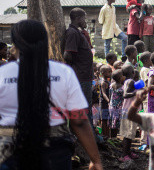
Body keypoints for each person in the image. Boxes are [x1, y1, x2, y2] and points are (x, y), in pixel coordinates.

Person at [0, 20, 102, 169]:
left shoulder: (3, 74)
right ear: (44, 42)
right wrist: (96, 160)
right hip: (55, 151)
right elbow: (79, 120)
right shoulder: (64, 73)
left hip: (9, 150)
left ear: (15, 45)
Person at [63, 8, 95, 124]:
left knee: (87, 107)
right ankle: (85, 137)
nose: (85, 21)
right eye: (84, 18)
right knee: (84, 109)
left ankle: (90, 135)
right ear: (78, 18)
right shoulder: (72, 33)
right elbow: (67, 55)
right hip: (80, 76)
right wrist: (78, 64)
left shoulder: (78, 32)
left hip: (84, 76)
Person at [119, 65, 138, 162]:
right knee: (128, 135)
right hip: (129, 112)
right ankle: (123, 155)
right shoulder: (130, 81)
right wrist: (136, 93)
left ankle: (128, 152)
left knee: (129, 134)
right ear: (133, 73)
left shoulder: (127, 81)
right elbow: (125, 95)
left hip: (128, 111)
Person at [109, 69, 124, 139]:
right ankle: (114, 138)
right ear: (120, 78)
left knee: (113, 123)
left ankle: (112, 138)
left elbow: (110, 95)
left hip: (112, 107)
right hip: (119, 108)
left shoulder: (111, 85)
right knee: (116, 123)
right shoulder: (122, 87)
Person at [99, 64, 112, 139]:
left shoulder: (108, 81)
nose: (110, 73)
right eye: (109, 72)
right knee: (104, 120)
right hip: (104, 103)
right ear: (103, 73)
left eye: (111, 72)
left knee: (107, 119)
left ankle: (107, 135)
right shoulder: (103, 82)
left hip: (107, 103)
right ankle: (105, 136)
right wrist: (108, 101)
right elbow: (103, 94)